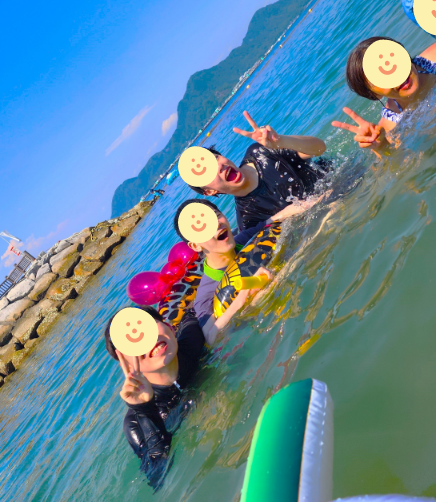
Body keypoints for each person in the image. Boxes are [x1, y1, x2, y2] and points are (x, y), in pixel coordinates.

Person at [104, 305, 205, 488]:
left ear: (168, 326)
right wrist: (145, 410)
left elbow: (198, 309)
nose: (148, 339)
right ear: (125, 363)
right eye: (133, 341)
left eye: (148, 326)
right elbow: (158, 476)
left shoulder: (193, 338)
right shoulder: (136, 421)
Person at [187, 111, 330, 230]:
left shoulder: (261, 151)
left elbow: (320, 147)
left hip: (338, 178)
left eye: (215, 159)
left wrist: (281, 141)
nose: (219, 167)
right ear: (209, 191)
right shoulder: (249, 220)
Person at [332, 36, 436, 158]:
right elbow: (399, 168)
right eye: (381, 77)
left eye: (392, 61)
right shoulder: (388, 129)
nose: (396, 76)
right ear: (374, 95)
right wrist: (382, 147)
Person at [173, 198, 272, 345]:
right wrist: (245, 294)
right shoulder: (206, 295)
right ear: (195, 246)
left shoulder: (245, 240)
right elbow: (210, 336)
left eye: (215, 215)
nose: (216, 225)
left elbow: (277, 218)